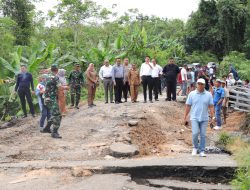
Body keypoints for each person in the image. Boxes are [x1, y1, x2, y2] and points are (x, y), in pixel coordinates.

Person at [184, 78, 215, 157]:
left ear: (204, 85)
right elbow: (188, 106)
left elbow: (211, 106)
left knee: (203, 134)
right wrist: (185, 117)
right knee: (195, 133)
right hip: (194, 117)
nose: (200, 85)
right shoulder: (191, 94)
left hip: (204, 118)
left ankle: (202, 150)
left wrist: (213, 117)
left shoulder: (208, 94)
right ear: (196, 84)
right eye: (199, 84)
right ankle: (195, 148)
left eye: (202, 84)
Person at [42, 64, 67, 138]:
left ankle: (46, 128)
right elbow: (59, 87)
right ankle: (54, 132)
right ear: (57, 70)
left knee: (54, 114)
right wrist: (66, 87)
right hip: (51, 99)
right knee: (58, 115)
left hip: (46, 98)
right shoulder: (55, 78)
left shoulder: (47, 76)